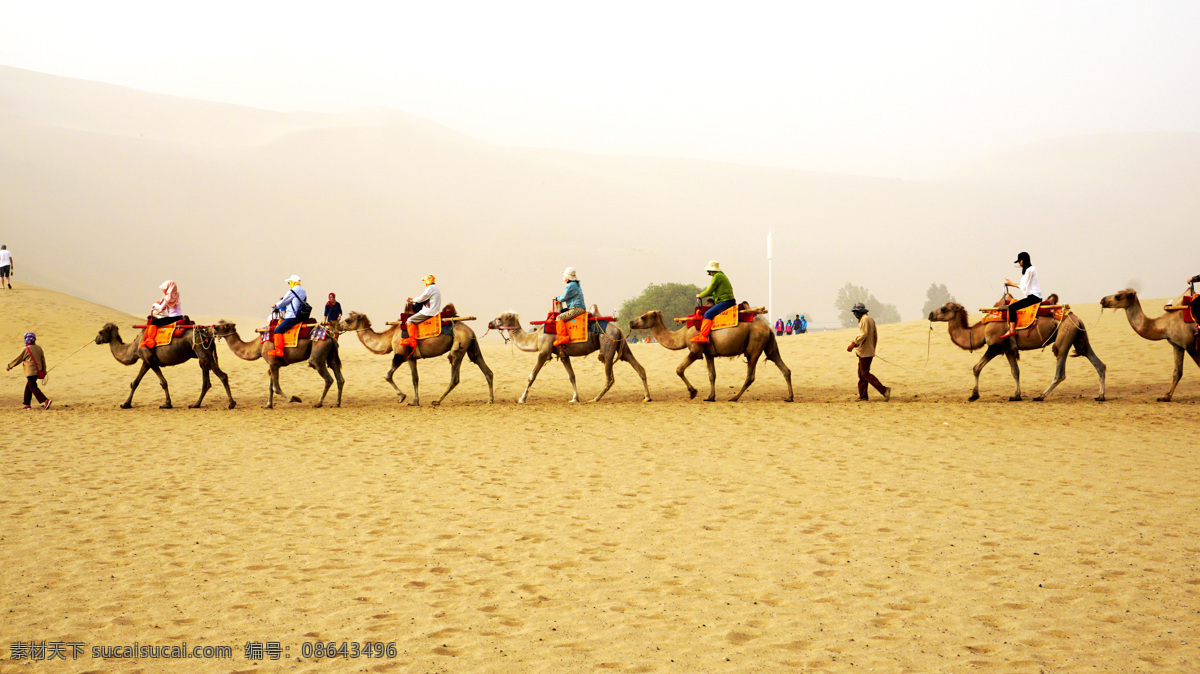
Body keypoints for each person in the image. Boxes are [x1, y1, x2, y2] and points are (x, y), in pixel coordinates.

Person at [847, 302, 891, 402]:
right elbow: (874, 335)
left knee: (865, 373)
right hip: (866, 350)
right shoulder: (868, 319)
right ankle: (863, 396)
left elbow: (863, 334)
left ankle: (884, 390)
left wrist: (853, 344)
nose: (855, 314)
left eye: (856, 312)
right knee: (861, 374)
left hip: (865, 351)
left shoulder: (865, 319)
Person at [691, 260, 736, 343]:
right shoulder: (720, 275)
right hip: (729, 300)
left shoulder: (717, 276)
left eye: (709, 271)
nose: (708, 273)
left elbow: (709, 291)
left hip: (726, 302)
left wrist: (699, 295)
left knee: (707, 314)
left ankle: (703, 336)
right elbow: (713, 292)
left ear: (711, 271)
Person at [1001, 252, 1042, 339]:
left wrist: (1011, 284)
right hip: (1033, 296)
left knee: (1011, 307)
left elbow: (1023, 286)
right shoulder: (1031, 270)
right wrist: (1011, 284)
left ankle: (1012, 329)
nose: (1019, 264)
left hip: (1033, 297)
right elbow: (1023, 284)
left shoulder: (1030, 270)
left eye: (1019, 261)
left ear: (1022, 261)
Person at [7, 332, 50, 409]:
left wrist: (9, 366)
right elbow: (43, 360)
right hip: (38, 371)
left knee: (33, 387)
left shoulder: (26, 349)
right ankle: (27, 404)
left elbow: (18, 359)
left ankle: (45, 400)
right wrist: (44, 370)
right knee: (29, 387)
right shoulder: (39, 348)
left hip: (31, 372)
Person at [269, 274, 307, 357]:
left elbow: (284, 301)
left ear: (293, 282)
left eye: (289, 283)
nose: (289, 284)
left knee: (277, 330)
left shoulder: (292, 291)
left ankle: (279, 351)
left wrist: (275, 306)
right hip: (301, 315)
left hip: (292, 316)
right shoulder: (303, 291)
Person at [400, 275, 442, 348]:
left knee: (410, 320)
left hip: (429, 312)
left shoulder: (430, 288)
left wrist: (411, 300)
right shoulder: (435, 288)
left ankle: (412, 341)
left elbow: (422, 298)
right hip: (434, 310)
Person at [142, 280, 183, 349]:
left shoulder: (167, 297)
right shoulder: (176, 295)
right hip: (179, 316)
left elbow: (161, 307)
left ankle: (150, 341)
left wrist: (154, 304)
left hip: (172, 318)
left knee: (154, 322)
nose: (163, 290)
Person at [553, 268, 587, 347]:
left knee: (559, 318)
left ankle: (562, 337)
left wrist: (556, 298)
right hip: (577, 308)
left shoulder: (571, 285)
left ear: (567, 277)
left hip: (577, 309)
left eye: (564, 276)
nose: (563, 278)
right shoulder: (575, 284)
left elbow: (564, 297)